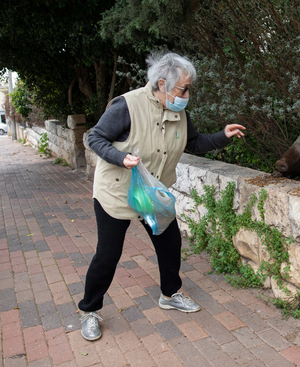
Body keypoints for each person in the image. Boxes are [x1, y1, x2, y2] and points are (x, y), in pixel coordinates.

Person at [78, 52, 246, 341]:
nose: (187, 94)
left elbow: (193, 142)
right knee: (108, 254)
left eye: (188, 88)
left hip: (151, 193)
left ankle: (170, 293)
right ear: (162, 84)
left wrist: (222, 135)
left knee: (169, 243)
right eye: (183, 88)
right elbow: (95, 138)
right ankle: (89, 310)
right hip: (117, 192)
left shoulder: (178, 110)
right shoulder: (127, 105)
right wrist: (120, 157)